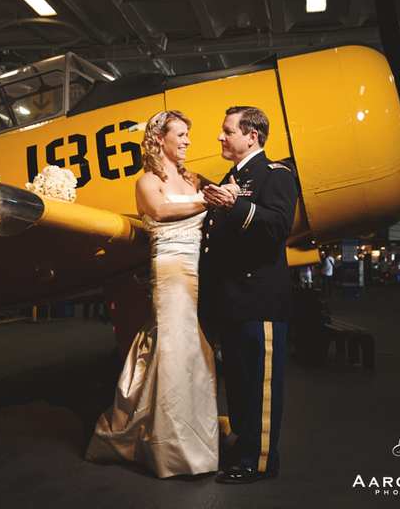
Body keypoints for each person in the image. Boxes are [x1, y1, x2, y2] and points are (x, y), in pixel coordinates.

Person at [85, 110, 228, 478]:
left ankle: (196, 436)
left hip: (200, 272)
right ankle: (174, 448)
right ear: (158, 139)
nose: (187, 141)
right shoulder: (147, 181)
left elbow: (229, 197)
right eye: (180, 134)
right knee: (175, 348)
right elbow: (161, 212)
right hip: (171, 271)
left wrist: (236, 191)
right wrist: (210, 201)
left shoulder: (194, 178)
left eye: (187, 135)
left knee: (197, 351)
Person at [198, 106, 298, 484]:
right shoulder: (232, 176)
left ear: (251, 136)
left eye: (227, 131)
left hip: (259, 298)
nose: (221, 137)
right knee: (240, 386)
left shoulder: (276, 175)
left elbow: (278, 225)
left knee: (262, 387)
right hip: (231, 299)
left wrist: (234, 205)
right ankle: (243, 446)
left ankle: (259, 461)